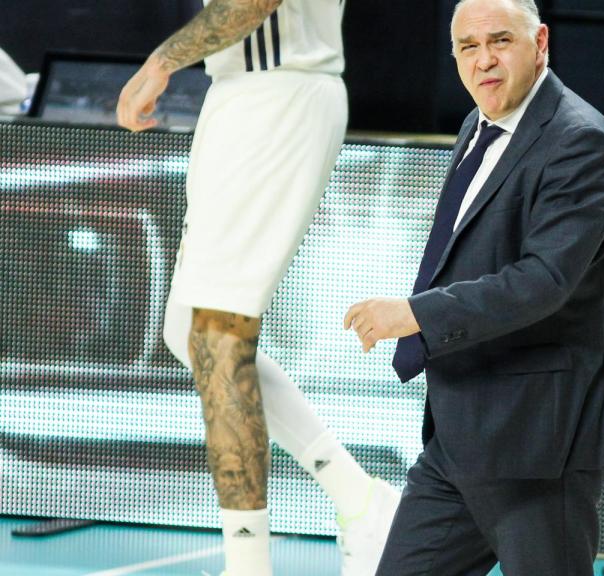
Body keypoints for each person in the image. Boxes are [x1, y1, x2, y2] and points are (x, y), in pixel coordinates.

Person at [342, 0, 604, 573]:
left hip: (537, 443)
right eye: (468, 47)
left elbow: (543, 281)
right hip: (460, 433)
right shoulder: (480, 124)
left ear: (541, 43)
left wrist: (416, 314)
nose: (484, 61)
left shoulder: (580, 141)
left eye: (500, 41)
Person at [115, 1, 399, 575]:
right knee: (187, 332)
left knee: (218, 336)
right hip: (241, 95)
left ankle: (248, 566)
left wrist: (161, 61)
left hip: (279, 96)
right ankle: (361, 499)